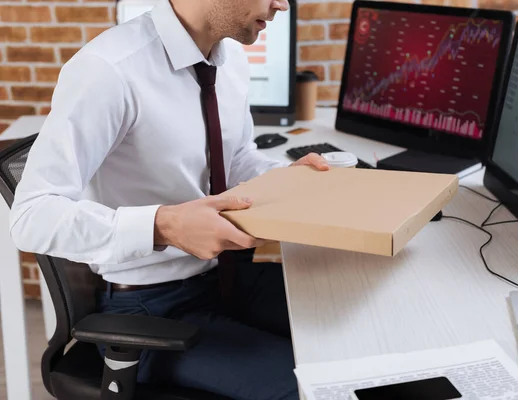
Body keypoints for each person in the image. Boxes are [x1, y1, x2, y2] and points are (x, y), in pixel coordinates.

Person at [8, 0, 329, 398]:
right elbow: (31, 216)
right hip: (150, 309)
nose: (282, 3)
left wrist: (283, 182)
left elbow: (238, 155)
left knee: (360, 329)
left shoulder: (228, 58)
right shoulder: (109, 70)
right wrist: (164, 226)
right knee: (315, 388)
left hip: (226, 280)